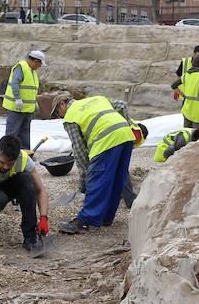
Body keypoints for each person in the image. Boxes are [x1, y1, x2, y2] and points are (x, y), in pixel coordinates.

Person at [51, 93, 136, 234]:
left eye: (58, 113)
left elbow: (79, 151)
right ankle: (105, 218)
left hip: (106, 140)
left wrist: (85, 177)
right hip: (125, 135)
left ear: (62, 104)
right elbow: (122, 105)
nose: (60, 117)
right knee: (116, 179)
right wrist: (127, 125)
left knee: (98, 178)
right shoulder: (97, 99)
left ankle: (84, 220)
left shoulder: (70, 117)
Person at [3, 50, 45, 149]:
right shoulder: (21, 67)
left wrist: (34, 103)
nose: (40, 66)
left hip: (27, 109)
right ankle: (8, 154)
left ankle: (25, 155)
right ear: (35, 61)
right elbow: (15, 83)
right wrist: (17, 98)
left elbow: (30, 90)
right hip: (16, 108)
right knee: (12, 133)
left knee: (24, 133)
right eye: (39, 64)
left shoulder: (32, 72)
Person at [173, 55, 199, 128]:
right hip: (198, 111)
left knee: (187, 133)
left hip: (187, 108)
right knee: (197, 135)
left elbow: (173, 85)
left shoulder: (186, 75)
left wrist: (182, 94)